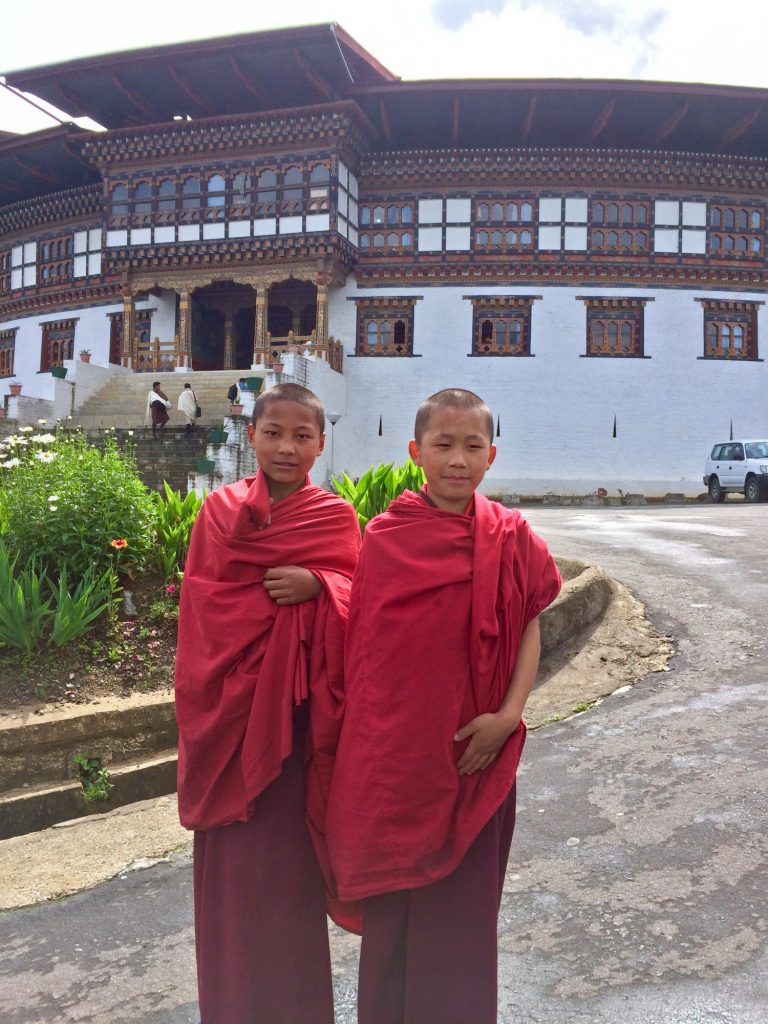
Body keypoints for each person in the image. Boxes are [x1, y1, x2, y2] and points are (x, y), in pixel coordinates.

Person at [322, 388, 562, 1024]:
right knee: (396, 895)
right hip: (396, 755)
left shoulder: (511, 537)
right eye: (443, 445)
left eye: (472, 447)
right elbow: (366, 652)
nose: (458, 459)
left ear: (492, 457)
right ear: (415, 452)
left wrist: (509, 716)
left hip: (475, 749)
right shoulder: (385, 536)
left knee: (461, 907)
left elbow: (529, 625)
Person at [174, 382, 361, 1024]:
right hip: (231, 722)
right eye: (274, 433)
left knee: (288, 877)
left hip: (297, 726)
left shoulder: (335, 518)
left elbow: (361, 605)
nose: (287, 446)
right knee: (236, 878)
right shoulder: (219, 513)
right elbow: (204, 614)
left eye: (302, 435)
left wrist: (320, 584)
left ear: (320, 443)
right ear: (249, 436)